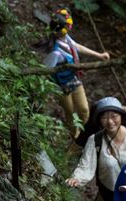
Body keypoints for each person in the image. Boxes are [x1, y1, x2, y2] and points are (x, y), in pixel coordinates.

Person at [44, 8, 110, 139]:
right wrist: (49, 88)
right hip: (61, 86)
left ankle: (89, 135)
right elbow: (45, 70)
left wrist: (99, 55)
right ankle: (77, 137)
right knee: (70, 113)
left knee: (84, 110)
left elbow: (77, 47)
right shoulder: (55, 52)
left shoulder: (66, 38)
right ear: (64, 28)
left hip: (74, 79)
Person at [65, 97, 126, 201]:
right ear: (99, 120)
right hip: (107, 196)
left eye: (114, 116)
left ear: (121, 116)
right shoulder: (95, 140)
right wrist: (76, 178)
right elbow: (86, 165)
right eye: (104, 117)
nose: (110, 121)